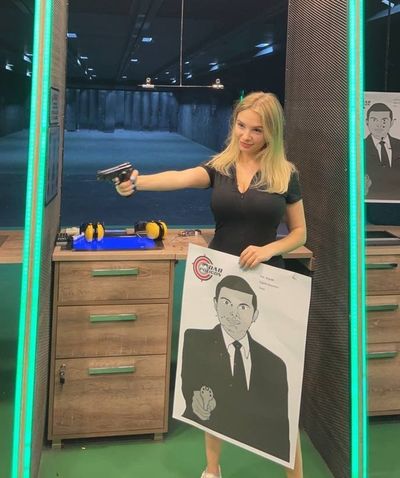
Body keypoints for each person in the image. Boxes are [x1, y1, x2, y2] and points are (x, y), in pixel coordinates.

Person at [115, 91, 307, 478]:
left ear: (272, 132)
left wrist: (268, 250)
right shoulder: (220, 167)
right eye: (241, 126)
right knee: (213, 379)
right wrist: (138, 183)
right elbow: (180, 178)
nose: (246, 135)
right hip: (219, 283)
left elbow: (300, 233)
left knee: (276, 390)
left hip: (267, 285)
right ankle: (212, 469)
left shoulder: (286, 174)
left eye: (257, 130)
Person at [181, 274, 290, 461]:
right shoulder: (195, 341)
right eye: (226, 303)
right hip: (227, 260)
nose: (233, 314)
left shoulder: (275, 364)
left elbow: (280, 426)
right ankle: (212, 469)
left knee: (287, 430)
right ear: (215, 304)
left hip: (268, 273)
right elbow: (190, 386)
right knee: (209, 417)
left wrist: (265, 254)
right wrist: (196, 400)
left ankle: (296, 474)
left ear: (255, 314)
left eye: (243, 307)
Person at [365, 102, 400, 199]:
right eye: (374, 120)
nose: (379, 124)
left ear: (392, 122)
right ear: (367, 122)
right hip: (369, 202)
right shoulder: (358, 147)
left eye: (384, 120)